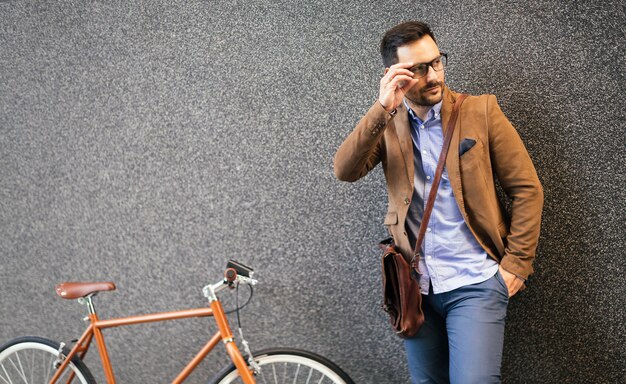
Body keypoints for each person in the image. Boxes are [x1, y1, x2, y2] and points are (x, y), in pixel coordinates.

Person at [333, 21, 543, 384]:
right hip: (416, 287)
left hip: (475, 282)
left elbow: (527, 189)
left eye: (436, 62)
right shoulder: (388, 123)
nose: (432, 76)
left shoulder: (481, 112)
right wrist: (382, 107)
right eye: (417, 69)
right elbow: (345, 170)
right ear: (394, 74)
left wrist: (516, 265)